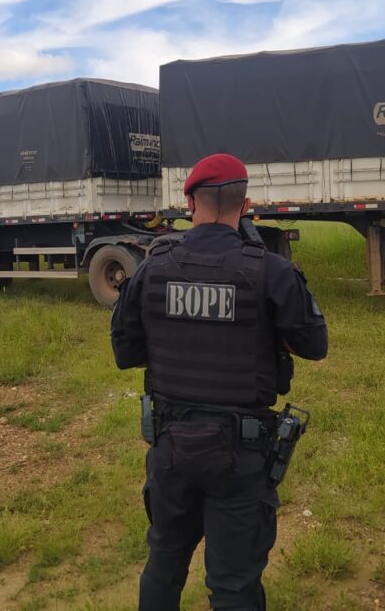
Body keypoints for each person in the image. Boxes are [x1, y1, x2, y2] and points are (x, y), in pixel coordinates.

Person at [111, 152, 328, 611]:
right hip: (242, 454)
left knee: (164, 563)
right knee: (233, 585)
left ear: (190, 202)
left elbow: (125, 353)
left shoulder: (152, 266)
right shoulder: (271, 271)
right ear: (246, 205)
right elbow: (314, 345)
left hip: (171, 445)